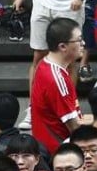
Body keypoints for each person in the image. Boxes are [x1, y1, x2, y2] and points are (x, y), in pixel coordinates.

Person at [30, 17, 82, 155]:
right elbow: (74, 127)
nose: (83, 43)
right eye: (79, 40)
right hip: (60, 152)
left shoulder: (44, 64)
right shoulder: (57, 80)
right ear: (63, 46)